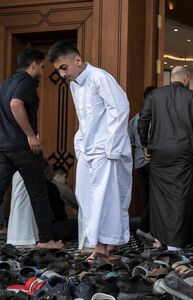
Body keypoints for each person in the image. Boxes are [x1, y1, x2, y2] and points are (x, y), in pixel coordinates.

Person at [48, 40, 132, 256]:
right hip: (88, 148)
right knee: (85, 197)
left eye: (63, 68)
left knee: (105, 198)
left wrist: (110, 147)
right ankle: (98, 243)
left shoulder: (99, 77)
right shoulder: (75, 84)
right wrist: (81, 144)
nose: (62, 74)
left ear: (77, 60)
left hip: (106, 149)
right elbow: (85, 119)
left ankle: (101, 246)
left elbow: (120, 109)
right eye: (58, 70)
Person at [0, 46, 63, 249]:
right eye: (42, 67)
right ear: (34, 64)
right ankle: (46, 240)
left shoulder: (5, 83)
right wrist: (30, 135)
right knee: (38, 192)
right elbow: (16, 104)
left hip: (4, 145)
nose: (42, 72)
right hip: (23, 147)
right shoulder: (26, 81)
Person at [138, 66, 193, 251]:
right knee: (179, 197)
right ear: (186, 77)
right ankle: (174, 243)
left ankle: (160, 239)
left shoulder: (154, 95)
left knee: (158, 197)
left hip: (159, 152)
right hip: (183, 152)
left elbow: (143, 120)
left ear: (171, 79)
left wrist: (144, 144)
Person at [128, 86, 154, 241]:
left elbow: (129, 140)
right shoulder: (154, 117)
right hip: (152, 161)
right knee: (156, 196)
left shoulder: (135, 118)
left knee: (146, 197)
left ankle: (147, 228)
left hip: (138, 163)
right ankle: (146, 228)